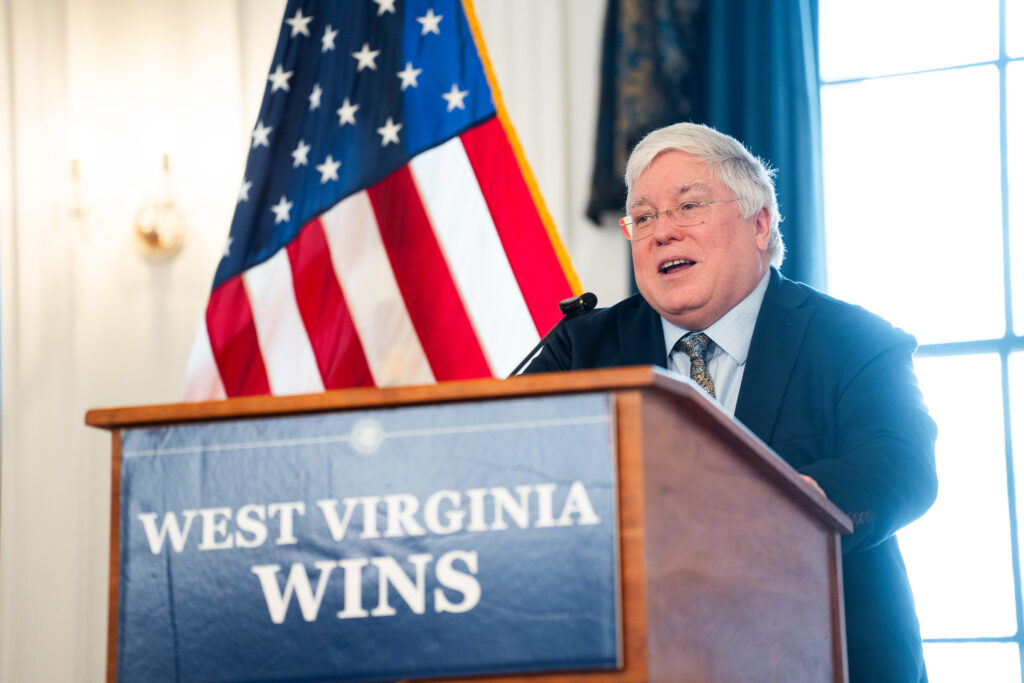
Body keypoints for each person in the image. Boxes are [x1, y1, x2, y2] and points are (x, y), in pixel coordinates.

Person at [524, 122, 938, 682]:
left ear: (760, 223)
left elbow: (901, 468)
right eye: (643, 218)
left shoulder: (854, 340)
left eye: (687, 206)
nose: (661, 233)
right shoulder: (581, 346)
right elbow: (518, 474)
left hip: (825, 654)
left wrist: (788, 508)